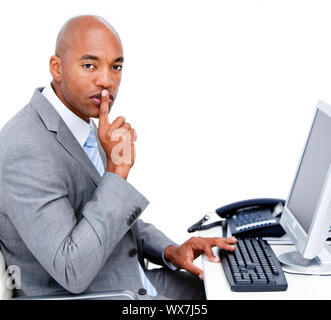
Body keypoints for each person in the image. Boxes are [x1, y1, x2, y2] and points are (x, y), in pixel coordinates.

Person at [0, 15, 237, 300]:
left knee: (234, 290)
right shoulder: (25, 148)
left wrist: (170, 251)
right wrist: (116, 173)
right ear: (57, 68)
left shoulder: (80, 120)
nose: (107, 81)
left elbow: (107, 219)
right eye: (89, 65)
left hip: (131, 278)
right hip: (102, 295)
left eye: (116, 67)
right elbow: (70, 269)